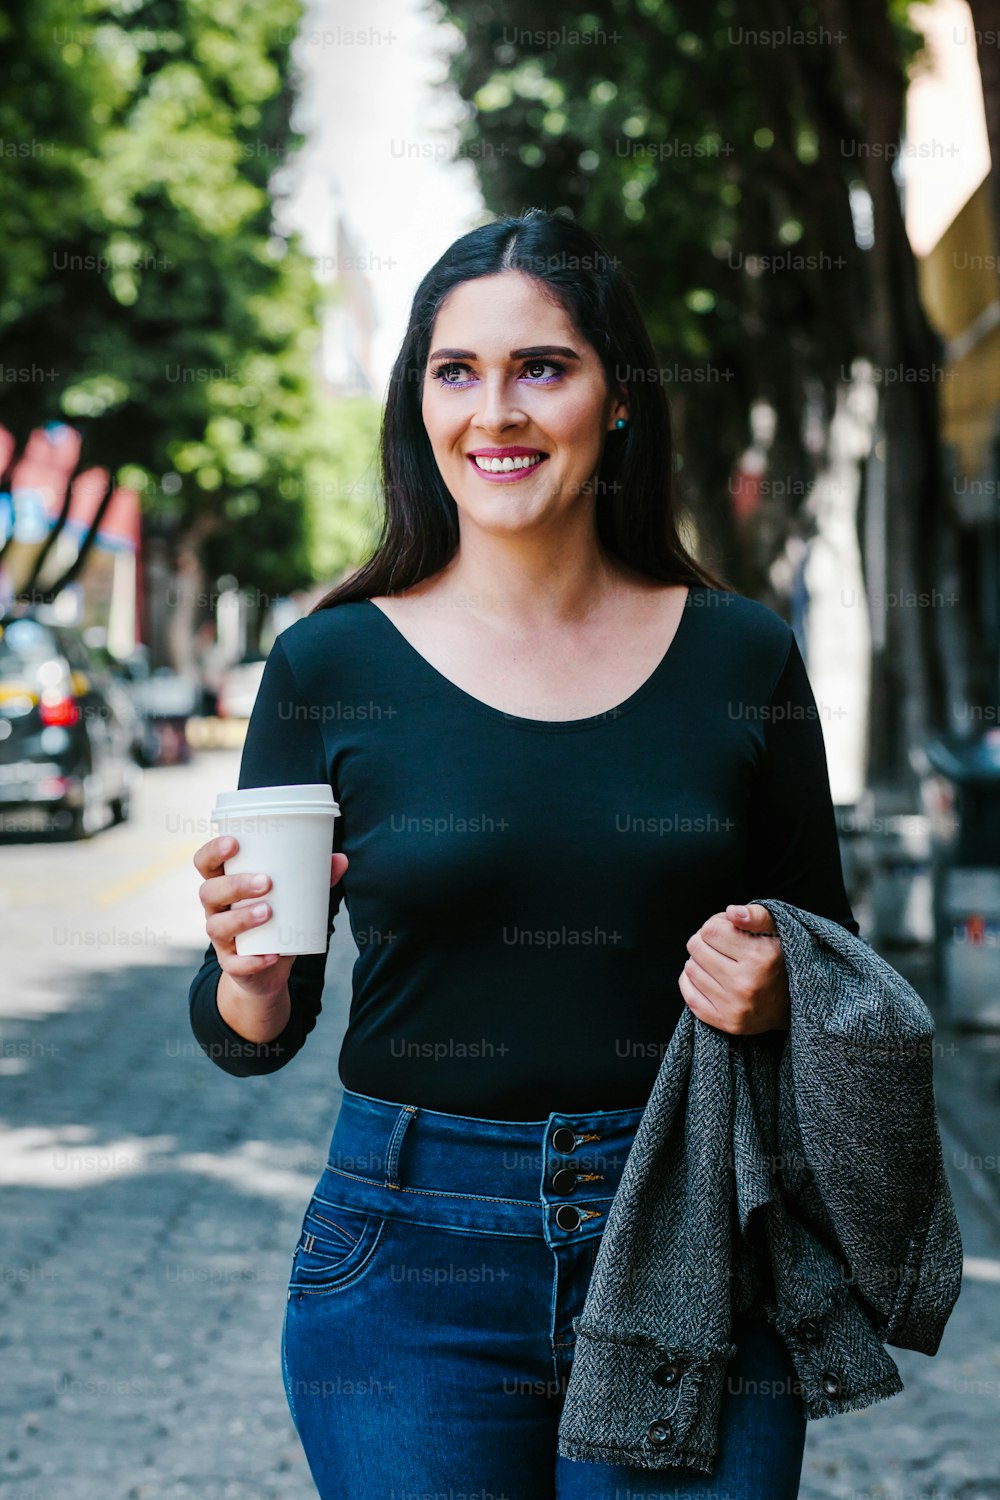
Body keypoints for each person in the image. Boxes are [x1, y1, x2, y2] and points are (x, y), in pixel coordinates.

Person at [189, 207, 859, 1498]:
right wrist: (252, 981)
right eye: (457, 372)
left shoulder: (743, 658)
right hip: (406, 1267)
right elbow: (251, 1030)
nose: (494, 411)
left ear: (617, 400)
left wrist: (780, 988)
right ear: (420, 405)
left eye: (541, 367)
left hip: (691, 1240)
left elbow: (835, 966)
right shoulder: (327, 666)